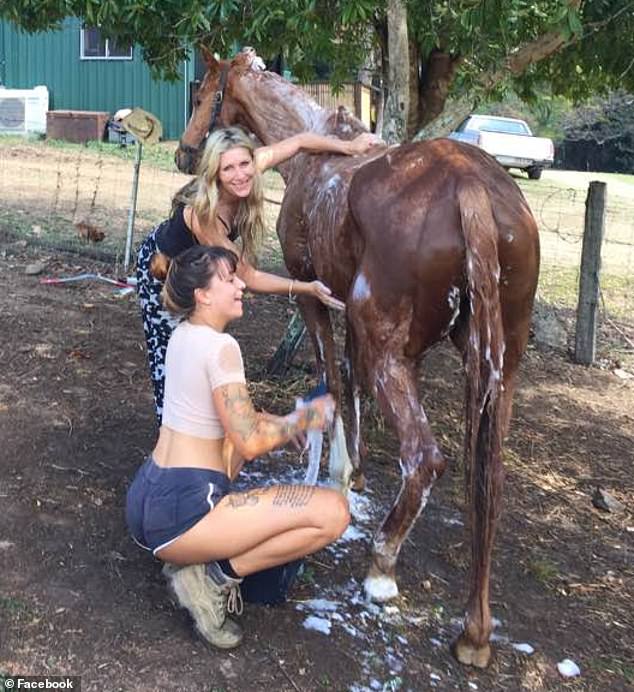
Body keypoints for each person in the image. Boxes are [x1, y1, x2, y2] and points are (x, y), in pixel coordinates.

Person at [126, 245, 350, 649]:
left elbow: (236, 421)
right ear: (203, 295)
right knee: (334, 513)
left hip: (148, 498)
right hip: (183, 512)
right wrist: (307, 418)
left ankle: (191, 556)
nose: (242, 284)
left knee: (241, 437)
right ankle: (211, 579)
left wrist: (282, 423)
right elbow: (249, 439)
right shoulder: (222, 348)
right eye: (229, 279)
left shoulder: (184, 335)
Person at [137, 125, 383, 421]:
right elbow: (250, 277)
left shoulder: (251, 168)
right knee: (171, 362)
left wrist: (351, 147)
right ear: (215, 173)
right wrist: (307, 288)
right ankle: (175, 436)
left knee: (202, 348)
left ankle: (211, 427)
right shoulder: (205, 216)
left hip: (199, 270)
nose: (240, 174)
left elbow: (300, 141)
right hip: (161, 272)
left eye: (245, 164)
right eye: (228, 169)